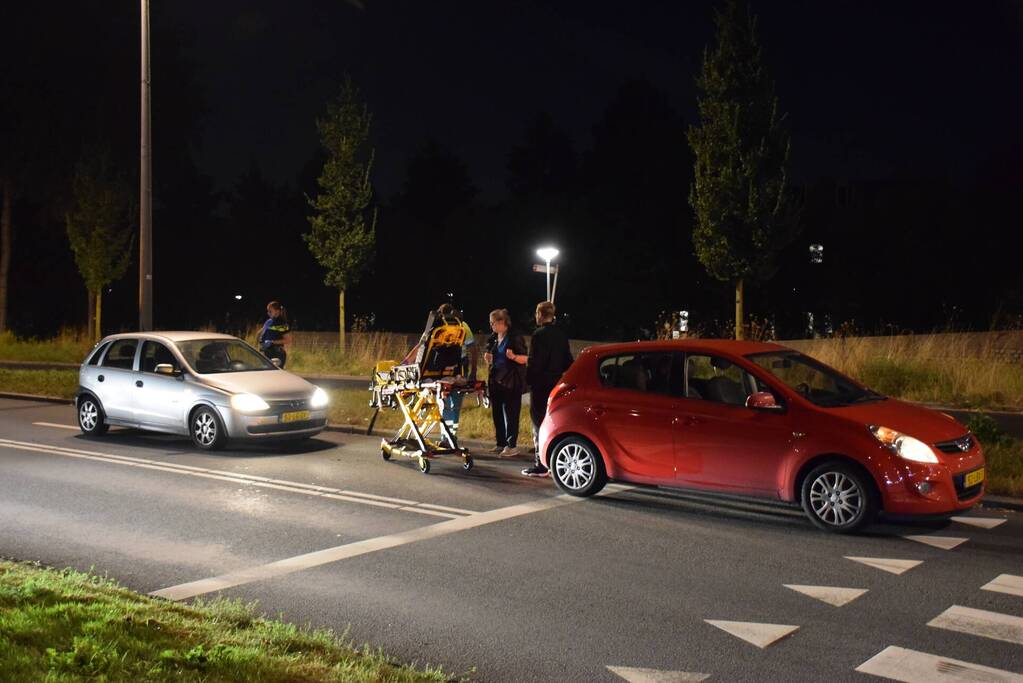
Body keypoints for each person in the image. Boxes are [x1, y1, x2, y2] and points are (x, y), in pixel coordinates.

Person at [522, 301, 574, 477]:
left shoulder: (538, 335)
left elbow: (534, 362)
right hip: (555, 384)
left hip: (540, 384)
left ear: (539, 314)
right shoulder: (561, 335)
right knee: (553, 422)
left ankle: (540, 463)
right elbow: (569, 361)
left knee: (538, 423)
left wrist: (528, 381)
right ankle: (553, 460)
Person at [483, 308, 527, 456]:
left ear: (502, 322)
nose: (491, 326)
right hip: (496, 381)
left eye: (493, 323)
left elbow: (525, 358)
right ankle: (500, 443)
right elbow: (495, 356)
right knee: (497, 413)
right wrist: (489, 358)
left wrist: (513, 356)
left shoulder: (514, 338)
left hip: (511, 381)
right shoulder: (494, 338)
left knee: (511, 413)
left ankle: (511, 445)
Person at [437, 303, 477, 434]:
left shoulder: (438, 327)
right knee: (455, 404)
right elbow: (473, 350)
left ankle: (447, 437)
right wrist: (473, 372)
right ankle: (451, 436)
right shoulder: (463, 326)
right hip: (460, 368)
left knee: (445, 404)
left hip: (441, 369)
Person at [258, 301, 291, 368]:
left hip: (277, 354)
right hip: (266, 353)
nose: (268, 313)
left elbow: (288, 340)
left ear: (277, 311)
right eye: (268, 311)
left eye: (270, 311)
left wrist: (272, 342)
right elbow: (261, 334)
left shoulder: (283, 324)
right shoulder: (269, 321)